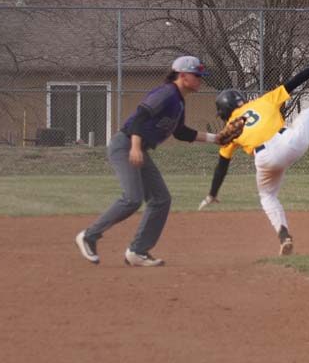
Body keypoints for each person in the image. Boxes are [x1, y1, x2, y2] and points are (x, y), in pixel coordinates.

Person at [198, 52, 309, 256]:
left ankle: (284, 235)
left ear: (225, 110)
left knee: (267, 196)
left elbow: (222, 164)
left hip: (264, 160)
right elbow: (294, 81)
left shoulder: (230, 127)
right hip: (288, 142)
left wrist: (212, 193)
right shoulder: (262, 102)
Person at [75, 55, 222, 267]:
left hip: (137, 147)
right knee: (132, 198)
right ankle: (89, 235)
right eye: (196, 75)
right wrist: (135, 147)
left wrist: (214, 138)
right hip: (125, 144)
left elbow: (180, 132)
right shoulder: (167, 93)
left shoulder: (179, 101)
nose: (200, 80)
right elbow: (140, 117)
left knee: (161, 199)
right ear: (182, 76)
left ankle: (137, 251)